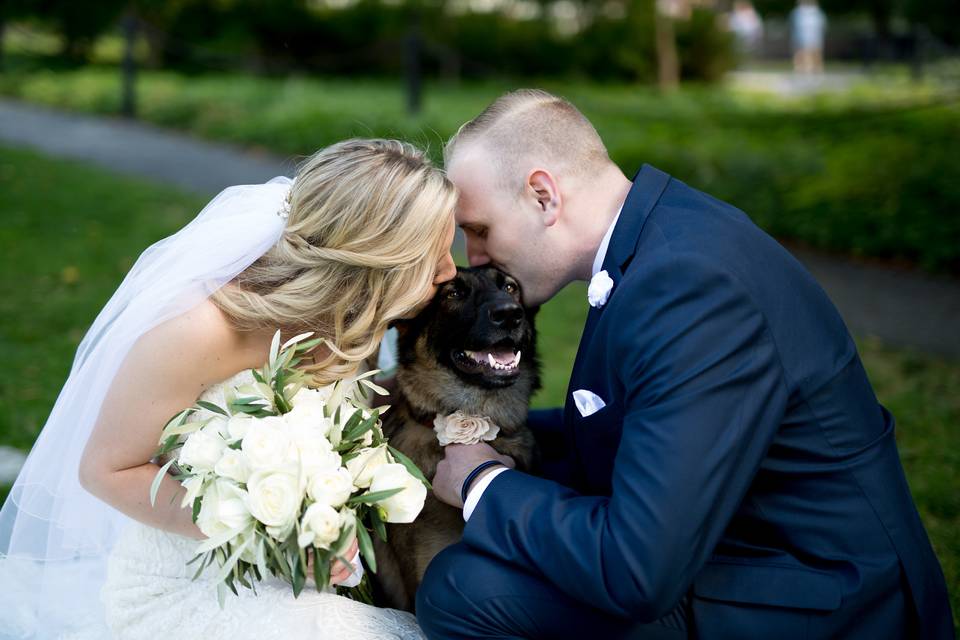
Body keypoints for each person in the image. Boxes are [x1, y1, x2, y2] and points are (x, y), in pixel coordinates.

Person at [421, 89, 954, 639]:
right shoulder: (662, 240)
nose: (473, 256)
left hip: (821, 598)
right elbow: (632, 424)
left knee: (464, 588)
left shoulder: (690, 287)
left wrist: (482, 483)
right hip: (745, 552)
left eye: (479, 229)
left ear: (542, 196)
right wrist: (452, 434)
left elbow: (637, 570)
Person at [0, 139, 457, 639]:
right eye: (434, 256)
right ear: (377, 262)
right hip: (185, 585)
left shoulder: (357, 324)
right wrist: (260, 529)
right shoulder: (202, 330)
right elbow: (105, 470)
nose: (451, 271)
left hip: (300, 582)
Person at [791, 0, 827, 74]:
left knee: (815, 53)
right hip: (802, 35)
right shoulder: (797, 12)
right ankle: (801, 69)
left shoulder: (816, 12)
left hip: (814, 35)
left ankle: (816, 69)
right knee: (801, 53)